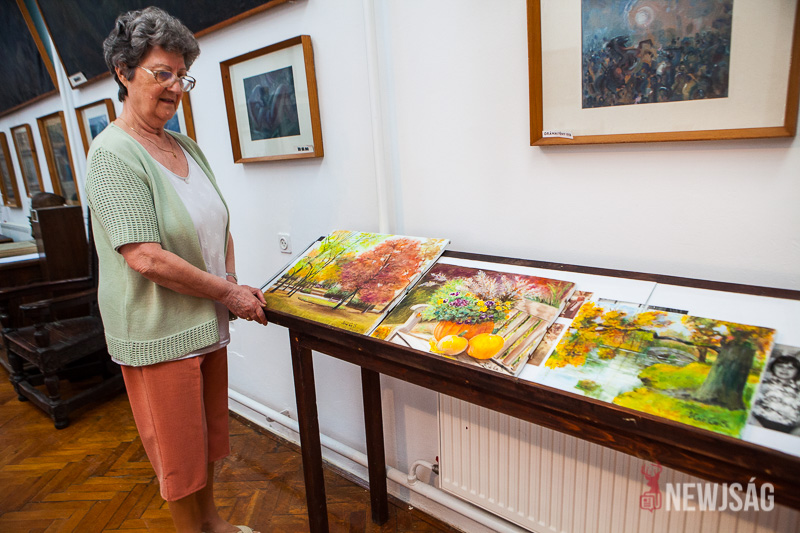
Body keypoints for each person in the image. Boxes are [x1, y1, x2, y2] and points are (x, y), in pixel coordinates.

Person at [85, 7, 266, 533]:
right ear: (123, 72)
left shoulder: (184, 145)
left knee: (204, 441)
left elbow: (216, 221)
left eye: (182, 75)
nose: (174, 87)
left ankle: (213, 524)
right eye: (161, 73)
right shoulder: (113, 153)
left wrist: (229, 281)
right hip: (158, 331)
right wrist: (227, 294)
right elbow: (145, 256)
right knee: (177, 456)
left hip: (205, 320)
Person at [750, 354, 800, 434]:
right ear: (773, 368)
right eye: (780, 366)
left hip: (786, 428)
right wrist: (757, 425)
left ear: (797, 371)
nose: (784, 370)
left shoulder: (797, 391)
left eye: (790, 368)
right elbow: (749, 407)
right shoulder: (763, 384)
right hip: (760, 422)